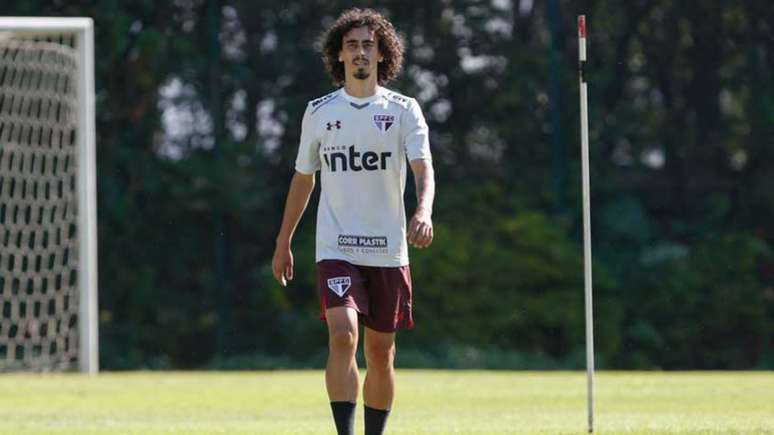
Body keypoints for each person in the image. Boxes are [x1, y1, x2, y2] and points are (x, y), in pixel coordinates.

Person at [271, 7, 435, 435]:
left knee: (381, 353)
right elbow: (304, 179)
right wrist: (283, 240)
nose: (360, 52)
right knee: (343, 335)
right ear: (338, 55)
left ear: (382, 55)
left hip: (388, 249)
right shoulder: (319, 111)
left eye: (368, 45)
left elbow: (422, 169)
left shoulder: (404, 110)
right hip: (337, 247)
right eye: (352, 46)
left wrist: (423, 211)